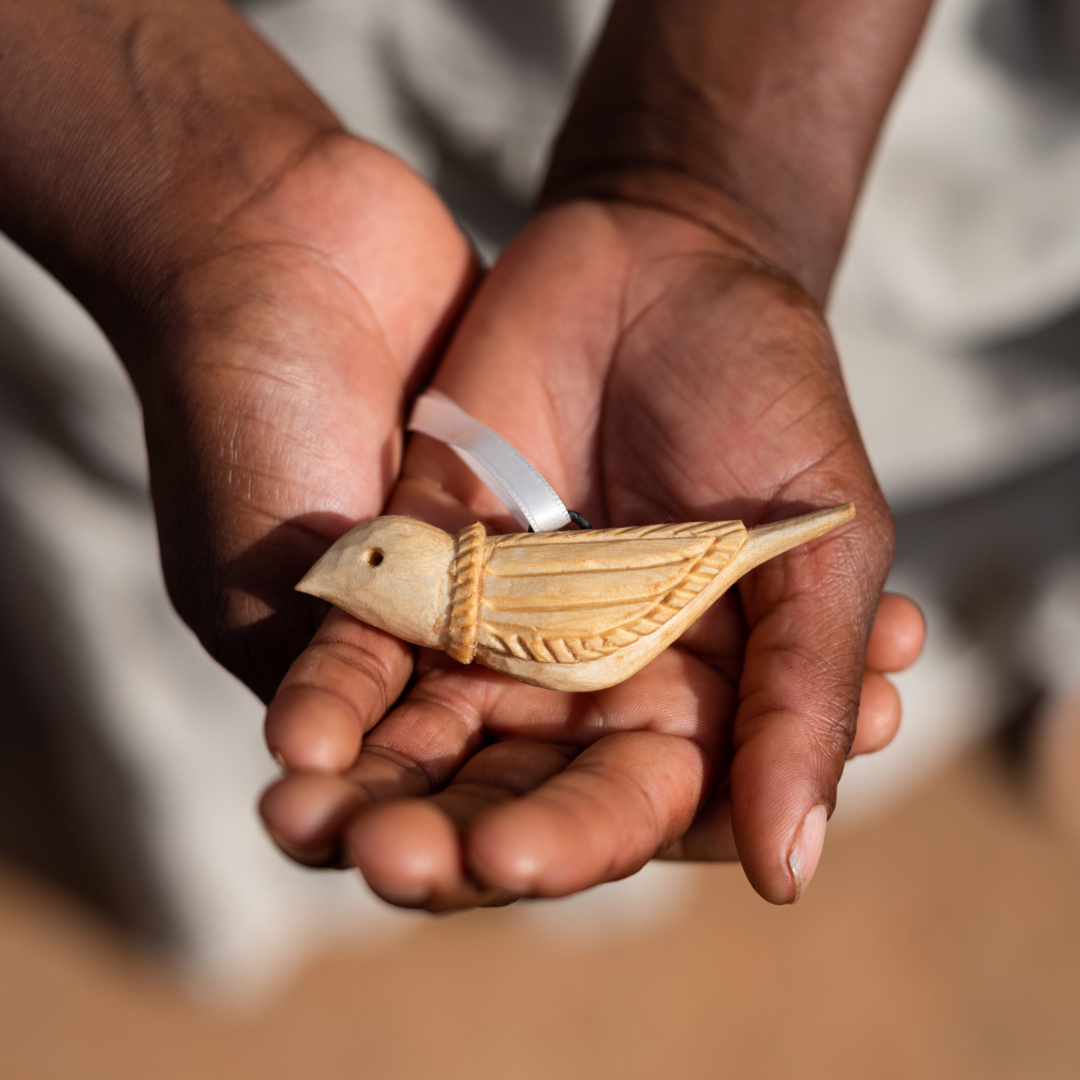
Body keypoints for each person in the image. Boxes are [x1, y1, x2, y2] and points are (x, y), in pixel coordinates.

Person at [0, 0, 927, 916]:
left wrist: (713, 194)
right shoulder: (473, 600)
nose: (345, 564)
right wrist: (224, 226)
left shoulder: (500, 609)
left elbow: (614, 594)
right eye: (368, 556)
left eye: (367, 558)